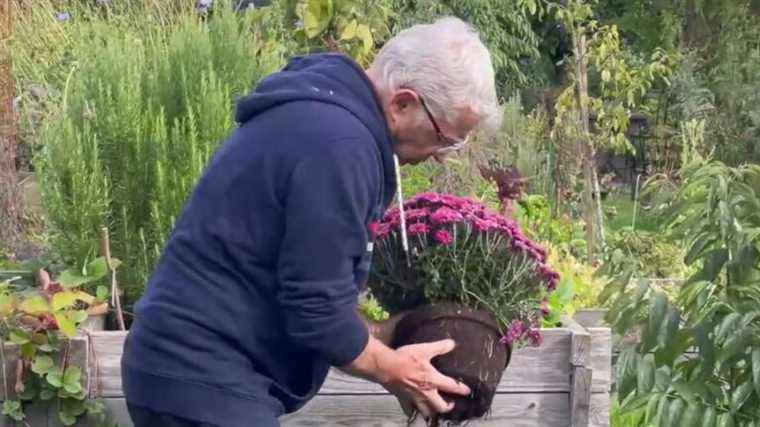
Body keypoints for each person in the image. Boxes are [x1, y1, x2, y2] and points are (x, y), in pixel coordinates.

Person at [121, 16, 501, 427]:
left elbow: (310, 286)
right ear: (403, 103)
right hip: (205, 377)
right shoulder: (340, 147)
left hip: (187, 373)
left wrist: (390, 333)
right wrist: (398, 372)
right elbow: (316, 314)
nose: (444, 154)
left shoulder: (324, 118)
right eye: (446, 137)